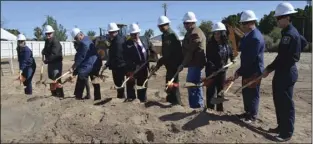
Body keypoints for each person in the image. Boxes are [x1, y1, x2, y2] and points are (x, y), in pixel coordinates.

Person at [263, 2, 308, 142]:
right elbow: (304, 42)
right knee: (278, 100)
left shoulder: (290, 34)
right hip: (283, 71)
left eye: (279, 18)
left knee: (285, 103)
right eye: (277, 18)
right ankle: (281, 126)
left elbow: (282, 57)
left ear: (287, 18)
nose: (277, 20)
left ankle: (286, 132)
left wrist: (269, 68)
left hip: (286, 72)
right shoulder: (290, 32)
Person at [231, 10, 265, 123]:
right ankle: (247, 112)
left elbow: (250, 58)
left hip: (254, 71)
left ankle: (252, 116)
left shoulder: (255, 37)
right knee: (246, 92)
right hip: (247, 69)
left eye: (244, 24)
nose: (242, 26)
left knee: (252, 93)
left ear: (251, 22)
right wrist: (241, 71)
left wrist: (239, 71)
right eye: (242, 24)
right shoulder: (247, 35)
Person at [204, 22, 235, 112]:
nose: (216, 35)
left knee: (220, 92)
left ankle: (219, 110)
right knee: (210, 92)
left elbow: (231, 55)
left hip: (222, 73)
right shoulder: (210, 45)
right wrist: (214, 69)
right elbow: (208, 59)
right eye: (215, 33)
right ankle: (209, 110)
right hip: (211, 72)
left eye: (218, 33)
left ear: (223, 34)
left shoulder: (227, 45)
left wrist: (233, 60)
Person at [154, 16, 183, 105]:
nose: (161, 28)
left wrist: (179, 64)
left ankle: (177, 103)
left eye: (162, 26)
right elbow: (165, 52)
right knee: (168, 83)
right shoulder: (164, 36)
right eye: (159, 26)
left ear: (167, 25)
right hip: (168, 64)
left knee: (174, 84)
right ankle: (170, 100)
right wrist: (159, 63)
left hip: (174, 64)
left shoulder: (172, 35)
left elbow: (177, 51)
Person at [180, 11, 206, 109]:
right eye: (184, 23)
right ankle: (196, 106)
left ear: (192, 23)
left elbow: (190, 51)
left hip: (196, 64)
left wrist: (182, 64)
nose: (185, 25)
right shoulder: (190, 32)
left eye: (186, 23)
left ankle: (197, 107)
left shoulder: (195, 33)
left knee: (193, 85)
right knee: (193, 85)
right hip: (192, 64)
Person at [123, 23, 152, 102]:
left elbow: (151, 50)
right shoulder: (126, 45)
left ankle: (142, 100)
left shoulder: (145, 40)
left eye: (136, 34)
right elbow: (125, 59)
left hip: (143, 68)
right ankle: (131, 99)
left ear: (139, 33)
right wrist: (129, 71)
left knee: (142, 86)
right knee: (130, 86)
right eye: (132, 34)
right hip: (132, 69)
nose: (135, 36)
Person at [70, 28, 98, 100]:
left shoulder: (83, 43)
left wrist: (73, 67)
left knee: (81, 75)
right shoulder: (87, 39)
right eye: (75, 39)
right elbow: (79, 54)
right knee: (93, 80)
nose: (76, 40)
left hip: (90, 63)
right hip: (94, 63)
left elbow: (81, 56)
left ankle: (78, 96)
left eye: (76, 38)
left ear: (81, 34)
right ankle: (95, 96)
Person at [104, 22, 127, 99]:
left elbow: (116, 56)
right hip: (119, 65)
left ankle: (121, 96)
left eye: (111, 32)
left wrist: (108, 64)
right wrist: (107, 64)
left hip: (118, 66)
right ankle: (121, 95)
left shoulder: (117, 42)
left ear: (115, 32)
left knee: (119, 82)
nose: (110, 34)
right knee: (120, 83)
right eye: (109, 32)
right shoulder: (119, 38)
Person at [41, 25, 64, 97]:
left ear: (52, 33)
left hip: (56, 63)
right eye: (46, 34)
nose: (48, 35)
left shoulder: (55, 42)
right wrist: (43, 51)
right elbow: (46, 49)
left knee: (56, 79)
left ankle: (60, 95)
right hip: (50, 63)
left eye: (49, 33)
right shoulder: (47, 41)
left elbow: (54, 54)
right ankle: (53, 94)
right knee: (50, 79)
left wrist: (46, 60)